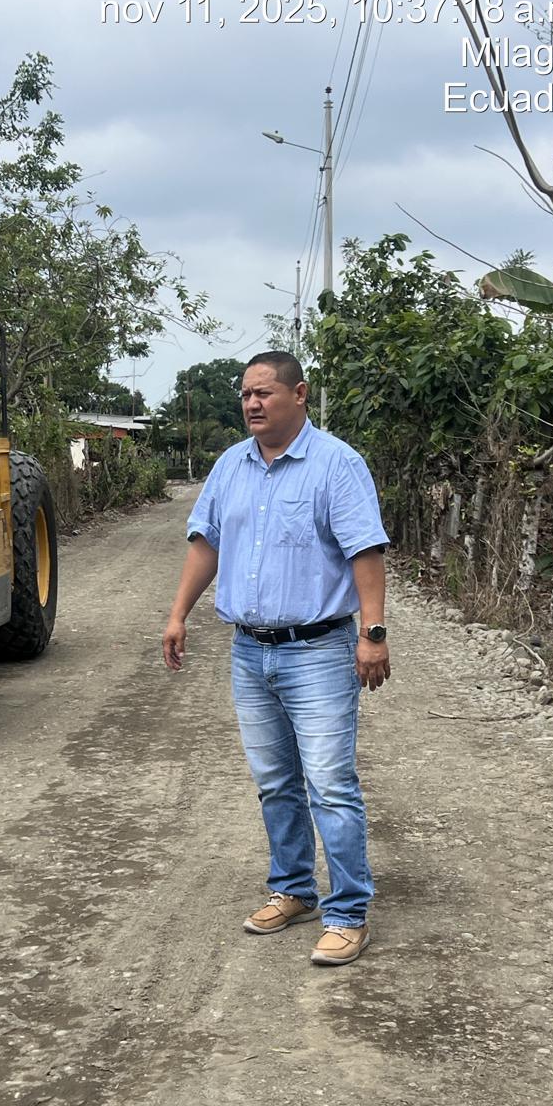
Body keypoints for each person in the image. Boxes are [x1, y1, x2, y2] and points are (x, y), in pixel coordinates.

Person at [162, 351, 390, 966]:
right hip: (249, 650)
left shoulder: (336, 464)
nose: (252, 404)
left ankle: (348, 913)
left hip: (320, 650)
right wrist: (179, 613)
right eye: (245, 395)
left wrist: (373, 633)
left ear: (300, 394)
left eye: (263, 392)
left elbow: (365, 552)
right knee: (275, 781)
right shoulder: (230, 466)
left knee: (330, 784)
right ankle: (293, 889)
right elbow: (206, 544)